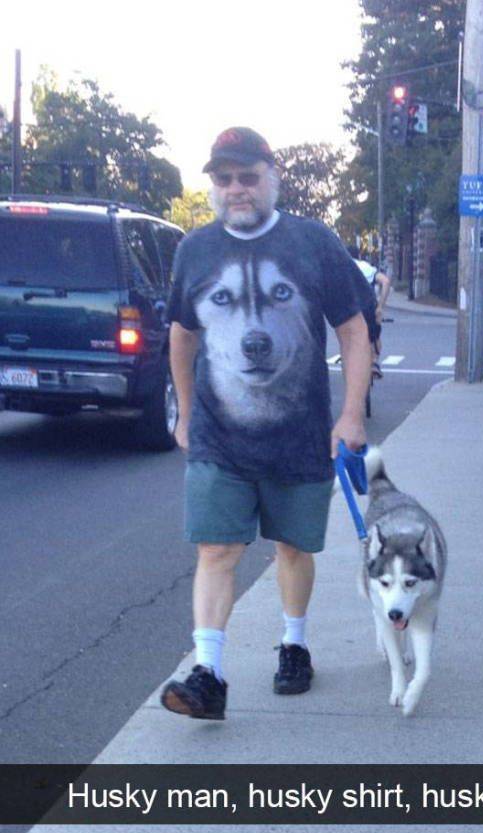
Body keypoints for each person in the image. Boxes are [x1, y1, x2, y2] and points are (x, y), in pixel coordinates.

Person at [161, 127, 372, 721]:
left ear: (272, 177)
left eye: (248, 176)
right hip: (219, 437)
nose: (237, 189)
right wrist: (182, 408)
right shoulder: (195, 251)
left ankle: (295, 644)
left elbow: (353, 330)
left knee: (293, 549)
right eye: (224, 179)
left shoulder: (312, 243)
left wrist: (351, 414)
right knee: (217, 549)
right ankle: (208, 674)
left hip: (300, 436)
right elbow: (181, 333)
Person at [347, 245, 391, 378]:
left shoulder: (343, 267)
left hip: (350, 309)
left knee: (348, 334)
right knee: (375, 333)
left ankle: (350, 362)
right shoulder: (366, 267)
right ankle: (374, 362)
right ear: (359, 256)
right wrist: (380, 306)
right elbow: (386, 281)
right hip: (368, 307)